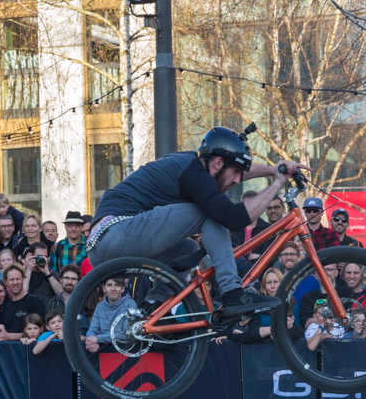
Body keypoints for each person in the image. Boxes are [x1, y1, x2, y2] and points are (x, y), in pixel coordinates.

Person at [88, 127, 310, 316]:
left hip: (103, 248)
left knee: (188, 249)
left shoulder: (190, 165)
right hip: (115, 233)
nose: (236, 181)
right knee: (212, 212)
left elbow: (238, 170)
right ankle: (232, 293)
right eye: (235, 173)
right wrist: (275, 185)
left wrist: (275, 170)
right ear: (218, 163)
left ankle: (153, 308)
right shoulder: (193, 173)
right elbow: (234, 218)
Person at [0, 265, 45, 341]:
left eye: (18, 279)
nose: (15, 282)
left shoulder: (35, 301)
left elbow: (39, 331)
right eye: (11, 279)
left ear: (23, 279)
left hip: (29, 349)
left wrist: (9, 336)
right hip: (9, 350)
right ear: (6, 282)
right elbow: (1, 333)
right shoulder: (3, 307)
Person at [86, 277, 134, 352]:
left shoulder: (130, 304)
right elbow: (92, 330)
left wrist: (98, 338)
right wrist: (91, 342)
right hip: (104, 351)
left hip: (125, 351)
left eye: (117, 285)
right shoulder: (100, 306)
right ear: (104, 289)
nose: (113, 288)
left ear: (123, 289)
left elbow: (127, 334)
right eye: (109, 285)